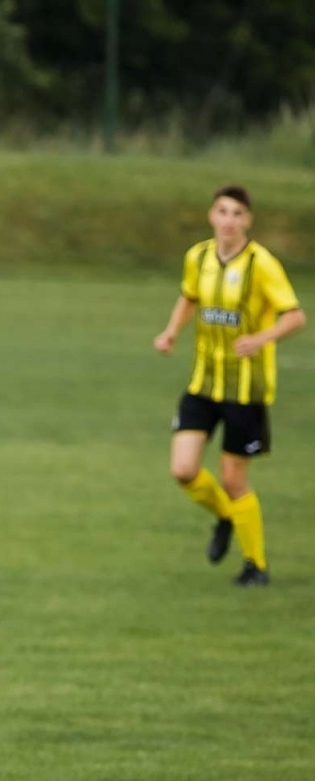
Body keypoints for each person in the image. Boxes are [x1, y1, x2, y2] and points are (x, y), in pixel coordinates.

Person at [154, 185, 304, 586]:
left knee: (235, 479)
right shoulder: (198, 256)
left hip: (245, 389)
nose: (229, 220)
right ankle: (224, 514)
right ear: (211, 216)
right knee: (183, 469)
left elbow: (295, 316)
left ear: (247, 221)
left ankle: (256, 565)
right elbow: (190, 297)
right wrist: (171, 332)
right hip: (203, 382)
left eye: (237, 213)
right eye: (222, 212)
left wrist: (261, 338)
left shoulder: (262, 265)